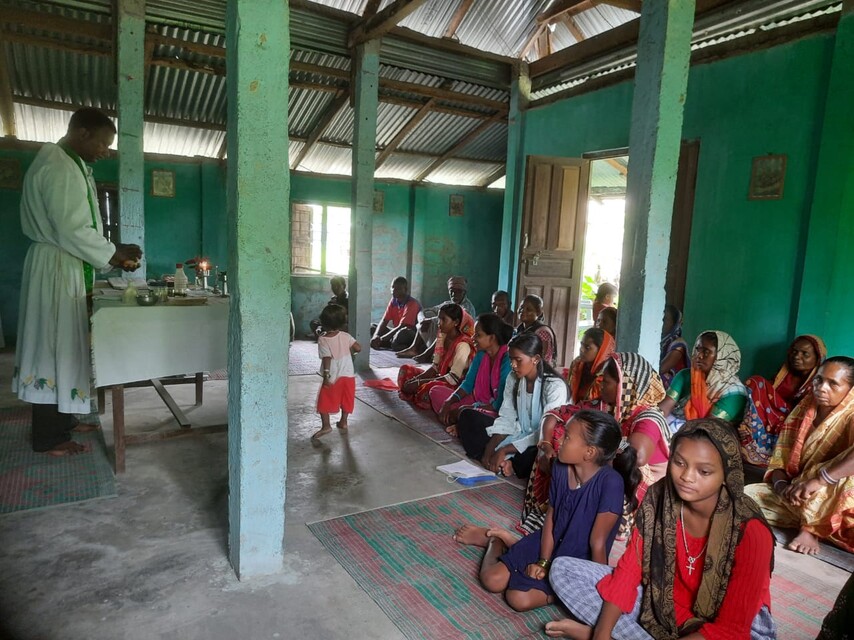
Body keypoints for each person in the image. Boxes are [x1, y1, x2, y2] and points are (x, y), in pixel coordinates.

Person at [545, 418, 776, 640]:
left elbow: (731, 630)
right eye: (679, 462)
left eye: (704, 472)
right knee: (563, 570)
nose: (686, 477)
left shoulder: (750, 530)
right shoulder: (658, 498)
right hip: (661, 601)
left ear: (726, 474)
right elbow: (629, 572)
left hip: (735, 627)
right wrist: (601, 634)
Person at [12, 107, 143, 456]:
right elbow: (72, 229)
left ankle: (64, 420)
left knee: (65, 347)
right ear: (82, 133)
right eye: (103, 142)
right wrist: (115, 253)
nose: (106, 150)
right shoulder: (59, 166)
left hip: (64, 263)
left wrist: (113, 251)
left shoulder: (70, 163)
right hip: (55, 266)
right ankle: (48, 438)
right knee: (52, 348)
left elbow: (75, 229)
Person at [452, 410, 639, 613]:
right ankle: (495, 541)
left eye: (567, 437)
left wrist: (592, 590)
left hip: (576, 560)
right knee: (492, 580)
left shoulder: (610, 483)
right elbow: (551, 518)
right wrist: (543, 561)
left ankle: (514, 546)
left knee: (517, 599)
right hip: (547, 543)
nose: (559, 438)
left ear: (589, 452)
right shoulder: (560, 467)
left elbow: (598, 543)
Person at [745, 356, 854, 555]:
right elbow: (781, 458)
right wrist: (781, 486)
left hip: (835, 493)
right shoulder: (805, 408)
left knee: (845, 471)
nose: (822, 388)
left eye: (833, 384)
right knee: (747, 496)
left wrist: (820, 480)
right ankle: (813, 518)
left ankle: (811, 529)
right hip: (802, 489)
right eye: (819, 380)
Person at [458, 333, 567, 479]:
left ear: (535, 359)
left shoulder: (554, 386)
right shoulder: (513, 378)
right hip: (517, 432)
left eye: (518, 360)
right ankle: (492, 459)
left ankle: (511, 464)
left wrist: (503, 450)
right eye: (511, 360)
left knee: (541, 455)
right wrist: (490, 448)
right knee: (467, 416)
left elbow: (545, 432)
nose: (513, 365)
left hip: (541, 440)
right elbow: (507, 416)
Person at [739, 334, 826, 467]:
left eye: (805, 354)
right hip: (775, 418)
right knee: (756, 382)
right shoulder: (784, 375)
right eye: (794, 352)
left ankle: (771, 453)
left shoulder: (819, 384)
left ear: (817, 358)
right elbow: (767, 400)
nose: (797, 357)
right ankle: (750, 437)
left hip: (794, 423)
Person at [434, 313, 513, 436]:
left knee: (468, 414)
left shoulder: (506, 359)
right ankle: (464, 421)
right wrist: (448, 402)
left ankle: (464, 423)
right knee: (436, 392)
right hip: (477, 401)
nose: (473, 338)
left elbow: (501, 403)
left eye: (478, 335)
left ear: (492, 338)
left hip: (496, 410)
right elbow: (468, 384)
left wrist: (465, 410)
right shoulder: (481, 355)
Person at [659, 330, 747, 431]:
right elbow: (663, 409)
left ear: (721, 357)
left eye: (706, 352)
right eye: (697, 349)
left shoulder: (733, 393)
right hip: (681, 429)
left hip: (709, 436)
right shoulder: (685, 375)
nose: (699, 355)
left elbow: (708, 430)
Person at [397, 303, 474, 410]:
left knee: (429, 389)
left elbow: (453, 379)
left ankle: (418, 394)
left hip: (454, 386)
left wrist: (419, 382)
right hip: (440, 376)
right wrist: (416, 379)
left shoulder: (463, 345)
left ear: (455, 322)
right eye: (438, 319)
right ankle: (415, 392)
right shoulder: (442, 335)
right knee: (405, 371)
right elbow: (435, 367)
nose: (439, 323)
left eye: (443, 319)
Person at [396, 275, 475, 362]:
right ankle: (415, 348)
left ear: (464, 292)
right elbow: (423, 311)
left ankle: (428, 353)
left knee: (445, 326)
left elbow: (459, 327)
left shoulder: (466, 308)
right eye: (451, 291)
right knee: (429, 315)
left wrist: (431, 321)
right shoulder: (448, 304)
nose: (453, 294)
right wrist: (423, 320)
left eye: (458, 292)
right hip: (444, 338)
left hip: (460, 340)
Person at [312, 304, 361, 440]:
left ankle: (326, 426)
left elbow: (327, 357)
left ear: (324, 323)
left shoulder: (323, 339)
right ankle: (343, 422)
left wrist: (326, 375)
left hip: (333, 376)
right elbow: (358, 348)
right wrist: (350, 352)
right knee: (347, 398)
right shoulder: (346, 336)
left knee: (324, 399)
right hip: (348, 374)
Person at [370, 276, 421, 352]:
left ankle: (414, 348)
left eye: (398, 288)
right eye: (392, 287)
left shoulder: (412, 303)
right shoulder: (393, 301)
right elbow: (384, 320)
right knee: (372, 327)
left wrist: (381, 338)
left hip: (410, 334)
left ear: (405, 290)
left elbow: (402, 326)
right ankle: (390, 343)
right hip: (396, 331)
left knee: (400, 334)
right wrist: (375, 336)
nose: (394, 290)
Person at [566, 327, 616, 404]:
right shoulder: (577, 365)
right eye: (581, 344)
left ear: (601, 351)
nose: (581, 349)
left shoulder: (607, 375)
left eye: (587, 347)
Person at [515, 294, 558, 367]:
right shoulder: (519, 329)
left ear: (538, 312)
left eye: (528, 309)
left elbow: (541, 359)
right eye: (521, 307)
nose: (522, 311)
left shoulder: (542, 332)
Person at [660, 304, 690, 388]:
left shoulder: (678, 344)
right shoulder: (661, 341)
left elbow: (662, 369)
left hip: (677, 388)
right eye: (660, 318)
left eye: (665, 319)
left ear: (674, 323)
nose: (661, 322)